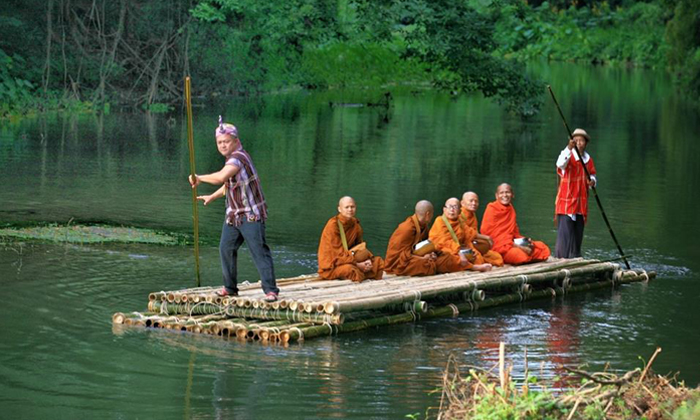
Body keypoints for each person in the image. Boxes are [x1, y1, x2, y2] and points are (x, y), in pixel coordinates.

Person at [189, 116, 279, 302]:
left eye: (226, 141)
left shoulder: (238, 158)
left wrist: (199, 177)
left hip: (251, 215)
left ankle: (270, 290)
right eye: (220, 142)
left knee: (258, 250)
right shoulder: (230, 159)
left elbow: (222, 177)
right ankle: (230, 288)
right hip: (234, 215)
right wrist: (212, 197)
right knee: (226, 248)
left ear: (236, 141)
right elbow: (229, 185)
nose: (222, 145)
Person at [317, 196, 384, 282]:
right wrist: (358, 265)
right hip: (332, 265)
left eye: (352, 207)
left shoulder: (355, 224)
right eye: (346, 207)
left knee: (378, 263)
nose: (350, 210)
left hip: (350, 257)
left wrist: (367, 259)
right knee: (350, 270)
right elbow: (337, 255)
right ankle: (356, 272)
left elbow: (360, 247)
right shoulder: (333, 226)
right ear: (339, 209)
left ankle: (360, 271)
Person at [481, 183, 551, 265]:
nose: (505, 195)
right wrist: (521, 247)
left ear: (512, 195)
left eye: (507, 192)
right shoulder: (492, 209)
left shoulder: (511, 209)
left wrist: (526, 241)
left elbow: (514, 233)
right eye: (501, 193)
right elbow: (489, 236)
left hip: (511, 244)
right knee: (519, 255)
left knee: (542, 248)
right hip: (499, 248)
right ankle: (526, 258)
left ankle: (528, 258)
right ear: (496, 196)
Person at [555, 128, 597, 258]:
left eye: (582, 141)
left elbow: (593, 175)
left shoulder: (588, 160)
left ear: (586, 143)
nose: (579, 143)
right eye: (576, 140)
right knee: (565, 236)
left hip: (581, 203)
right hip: (566, 202)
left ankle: (575, 259)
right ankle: (561, 260)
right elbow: (560, 164)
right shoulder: (567, 155)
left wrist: (593, 181)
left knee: (578, 235)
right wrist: (569, 148)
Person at [384, 200, 454, 276]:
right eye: (432, 214)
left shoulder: (424, 226)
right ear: (428, 214)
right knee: (426, 264)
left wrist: (431, 253)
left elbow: (426, 245)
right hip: (398, 264)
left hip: (416, 256)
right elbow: (402, 256)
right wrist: (423, 258)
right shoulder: (407, 228)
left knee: (446, 256)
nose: (432, 216)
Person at [429, 198, 493, 273]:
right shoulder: (440, 221)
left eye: (455, 207)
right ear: (444, 209)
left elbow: (469, 233)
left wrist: (486, 238)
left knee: (476, 256)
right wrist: (460, 253)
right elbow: (443, 243)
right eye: (449, 207)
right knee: (451, 259)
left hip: (458, 249)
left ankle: (470, 264)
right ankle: (473, 267)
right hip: (444, 250)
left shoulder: (460, 220)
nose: (452, 210)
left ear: (459, 211)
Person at [459, 191, 504, 267]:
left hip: (471, 243)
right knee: (479, 260)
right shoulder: (459, 215)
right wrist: (486, 237)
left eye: (476, 201)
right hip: (461, 246)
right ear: (462, 203)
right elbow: (467, 234)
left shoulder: (472, 215)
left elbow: (473, 234)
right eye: (471, 201)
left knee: (497, 257)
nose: (474, 203)